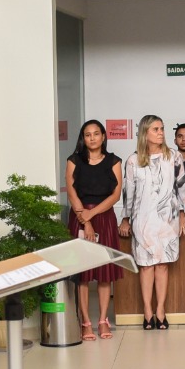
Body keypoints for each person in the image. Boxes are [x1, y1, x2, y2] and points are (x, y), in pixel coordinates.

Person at [119, 115, 185, 330]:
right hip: (143, 220)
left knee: (162, 266)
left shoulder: (174, 157)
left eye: (162, 129)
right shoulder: (133, 160)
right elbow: (128, 193)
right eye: (156, 129)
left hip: (167, 220)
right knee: (146, 267)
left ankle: (161, 310)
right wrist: (125, 218)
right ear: (145, 133)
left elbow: (182, 188)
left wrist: (184, 214)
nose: (161, 133)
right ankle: (147, 312)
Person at [66, 119, 124, 340]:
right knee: (83, 273)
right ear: (83, 137)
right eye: (87, 134)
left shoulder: (113, 161)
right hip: (80, 217)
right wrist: (86, 220)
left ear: (103, 137)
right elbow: (72, 194)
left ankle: (102, 320)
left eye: (96, 134)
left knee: (103, 272)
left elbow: (115, 195)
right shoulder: (74, 161)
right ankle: (85, 322)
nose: (92, 138)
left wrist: (93, 214)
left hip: (105, 217)